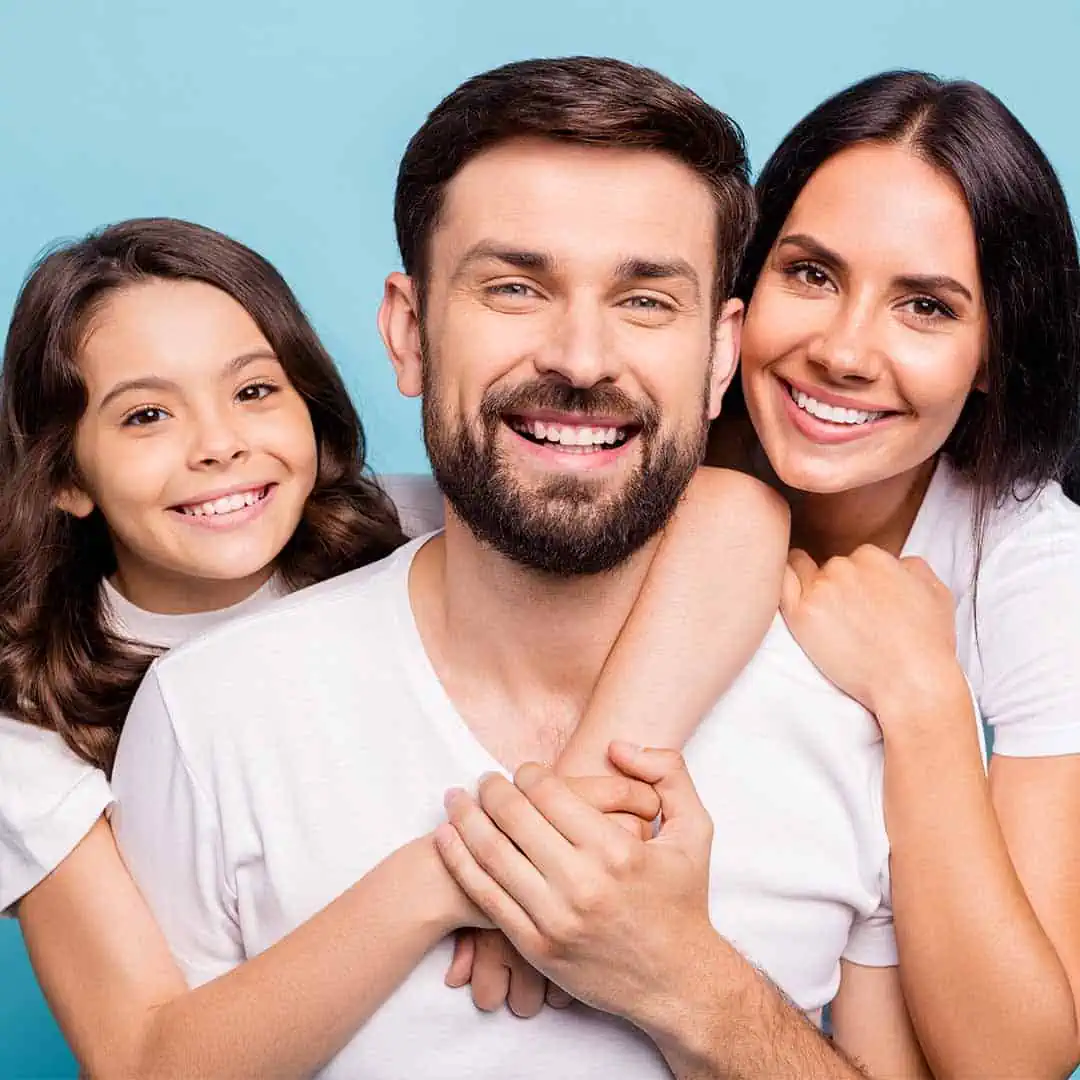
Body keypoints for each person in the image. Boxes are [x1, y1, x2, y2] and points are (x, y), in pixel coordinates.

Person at [112, 57, 923, 1079]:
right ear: (409, 333)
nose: (581, 359)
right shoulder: (212, 719)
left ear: (721, 355)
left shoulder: (852, 723)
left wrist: (688, 985)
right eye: (514, 287)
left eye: (645, 300)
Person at [0, 223, 781, 1075]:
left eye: (254, 391)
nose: (217, 445)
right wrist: (457, 876)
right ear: (65, 477)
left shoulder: (400, 527)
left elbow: (733, 516)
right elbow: (143, 1060)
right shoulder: (22, 724)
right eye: (147, 415)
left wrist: (565, 821)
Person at [449, 70, 1080, 1080]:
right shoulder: (637, 444)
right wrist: (560, 845)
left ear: (996, 352)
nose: (842, 350)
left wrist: (922, 699)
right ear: (739, 296)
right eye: (812, 274)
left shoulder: (1033, 565)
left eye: (924, 307)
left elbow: (1015, 1060)